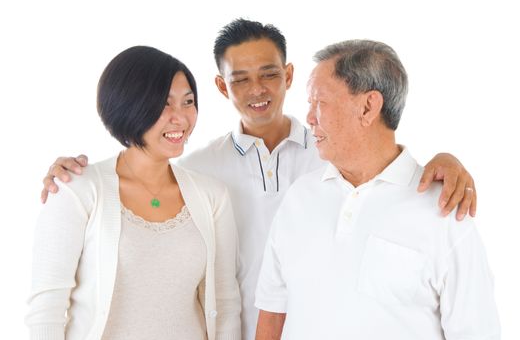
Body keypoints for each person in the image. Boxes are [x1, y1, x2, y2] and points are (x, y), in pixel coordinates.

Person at [39, 19, 477, 339]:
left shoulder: (332, 156)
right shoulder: (200, 172)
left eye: (269, 73)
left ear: (288, 76)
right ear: (221, 86)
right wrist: (76, 177)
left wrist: (447, 161)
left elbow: (387, 164)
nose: (256, 90)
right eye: (239, 79)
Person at [254, 39, 500, 339]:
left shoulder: (446, 211)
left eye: (320, 102)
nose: (309, 118)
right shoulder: (299, 197)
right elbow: (272, 313)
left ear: (368, 107)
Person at [26, 46, 241, 340]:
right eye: (165, 104)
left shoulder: (212, 196)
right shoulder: (77, 189)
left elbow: (225, 304)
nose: (181, 118)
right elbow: (46, 310)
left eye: (188, 102)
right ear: (130, 106)